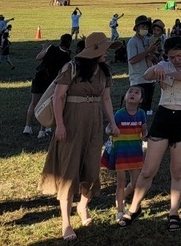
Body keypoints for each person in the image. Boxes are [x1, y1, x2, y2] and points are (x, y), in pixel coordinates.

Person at [38, 31, 121, 241]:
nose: (108, 54)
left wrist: (112, 123)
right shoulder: (71, 68)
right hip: (72, 122)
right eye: (105, 50)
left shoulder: (104, 72)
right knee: (69, 169)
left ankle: (83, 206)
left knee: (92, 167)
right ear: (94, 51)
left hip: (93, 124)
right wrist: (60, 125)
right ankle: (66, 222)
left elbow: (107, 99)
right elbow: (58, 96)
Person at [121, 35, 181, 231]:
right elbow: (147, 75)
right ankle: (134, 208)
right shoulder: (164, 65)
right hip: (164, 115)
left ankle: (173, 212)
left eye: (179, 55)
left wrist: (167, 74)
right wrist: (156, 68)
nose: (176, 60)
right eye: (171, 57)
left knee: (177, 171)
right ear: (166, 56)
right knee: (148, 169)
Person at [105, 85, 148, 223]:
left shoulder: (141, 114)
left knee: (135, 182)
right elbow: (109, 128)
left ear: (141, 100)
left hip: (135, 152)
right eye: (130, 91)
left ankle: (123, 196)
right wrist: (109, 131)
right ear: (125, 96)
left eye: (137, 92)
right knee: (120, 182)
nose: (133, 94)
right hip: (121, 153)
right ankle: (119, 210)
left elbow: (144, 131)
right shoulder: (118, 114)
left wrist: (146, 139)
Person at [25, 34, 74, 138]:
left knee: (33, 103)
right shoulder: (66, 57)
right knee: (46, 104)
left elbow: (38, 57)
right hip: (50, 81)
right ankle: (42, 131)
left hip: (39, 77)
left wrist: (44, 48)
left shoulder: (51, 48)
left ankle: (27, 127)